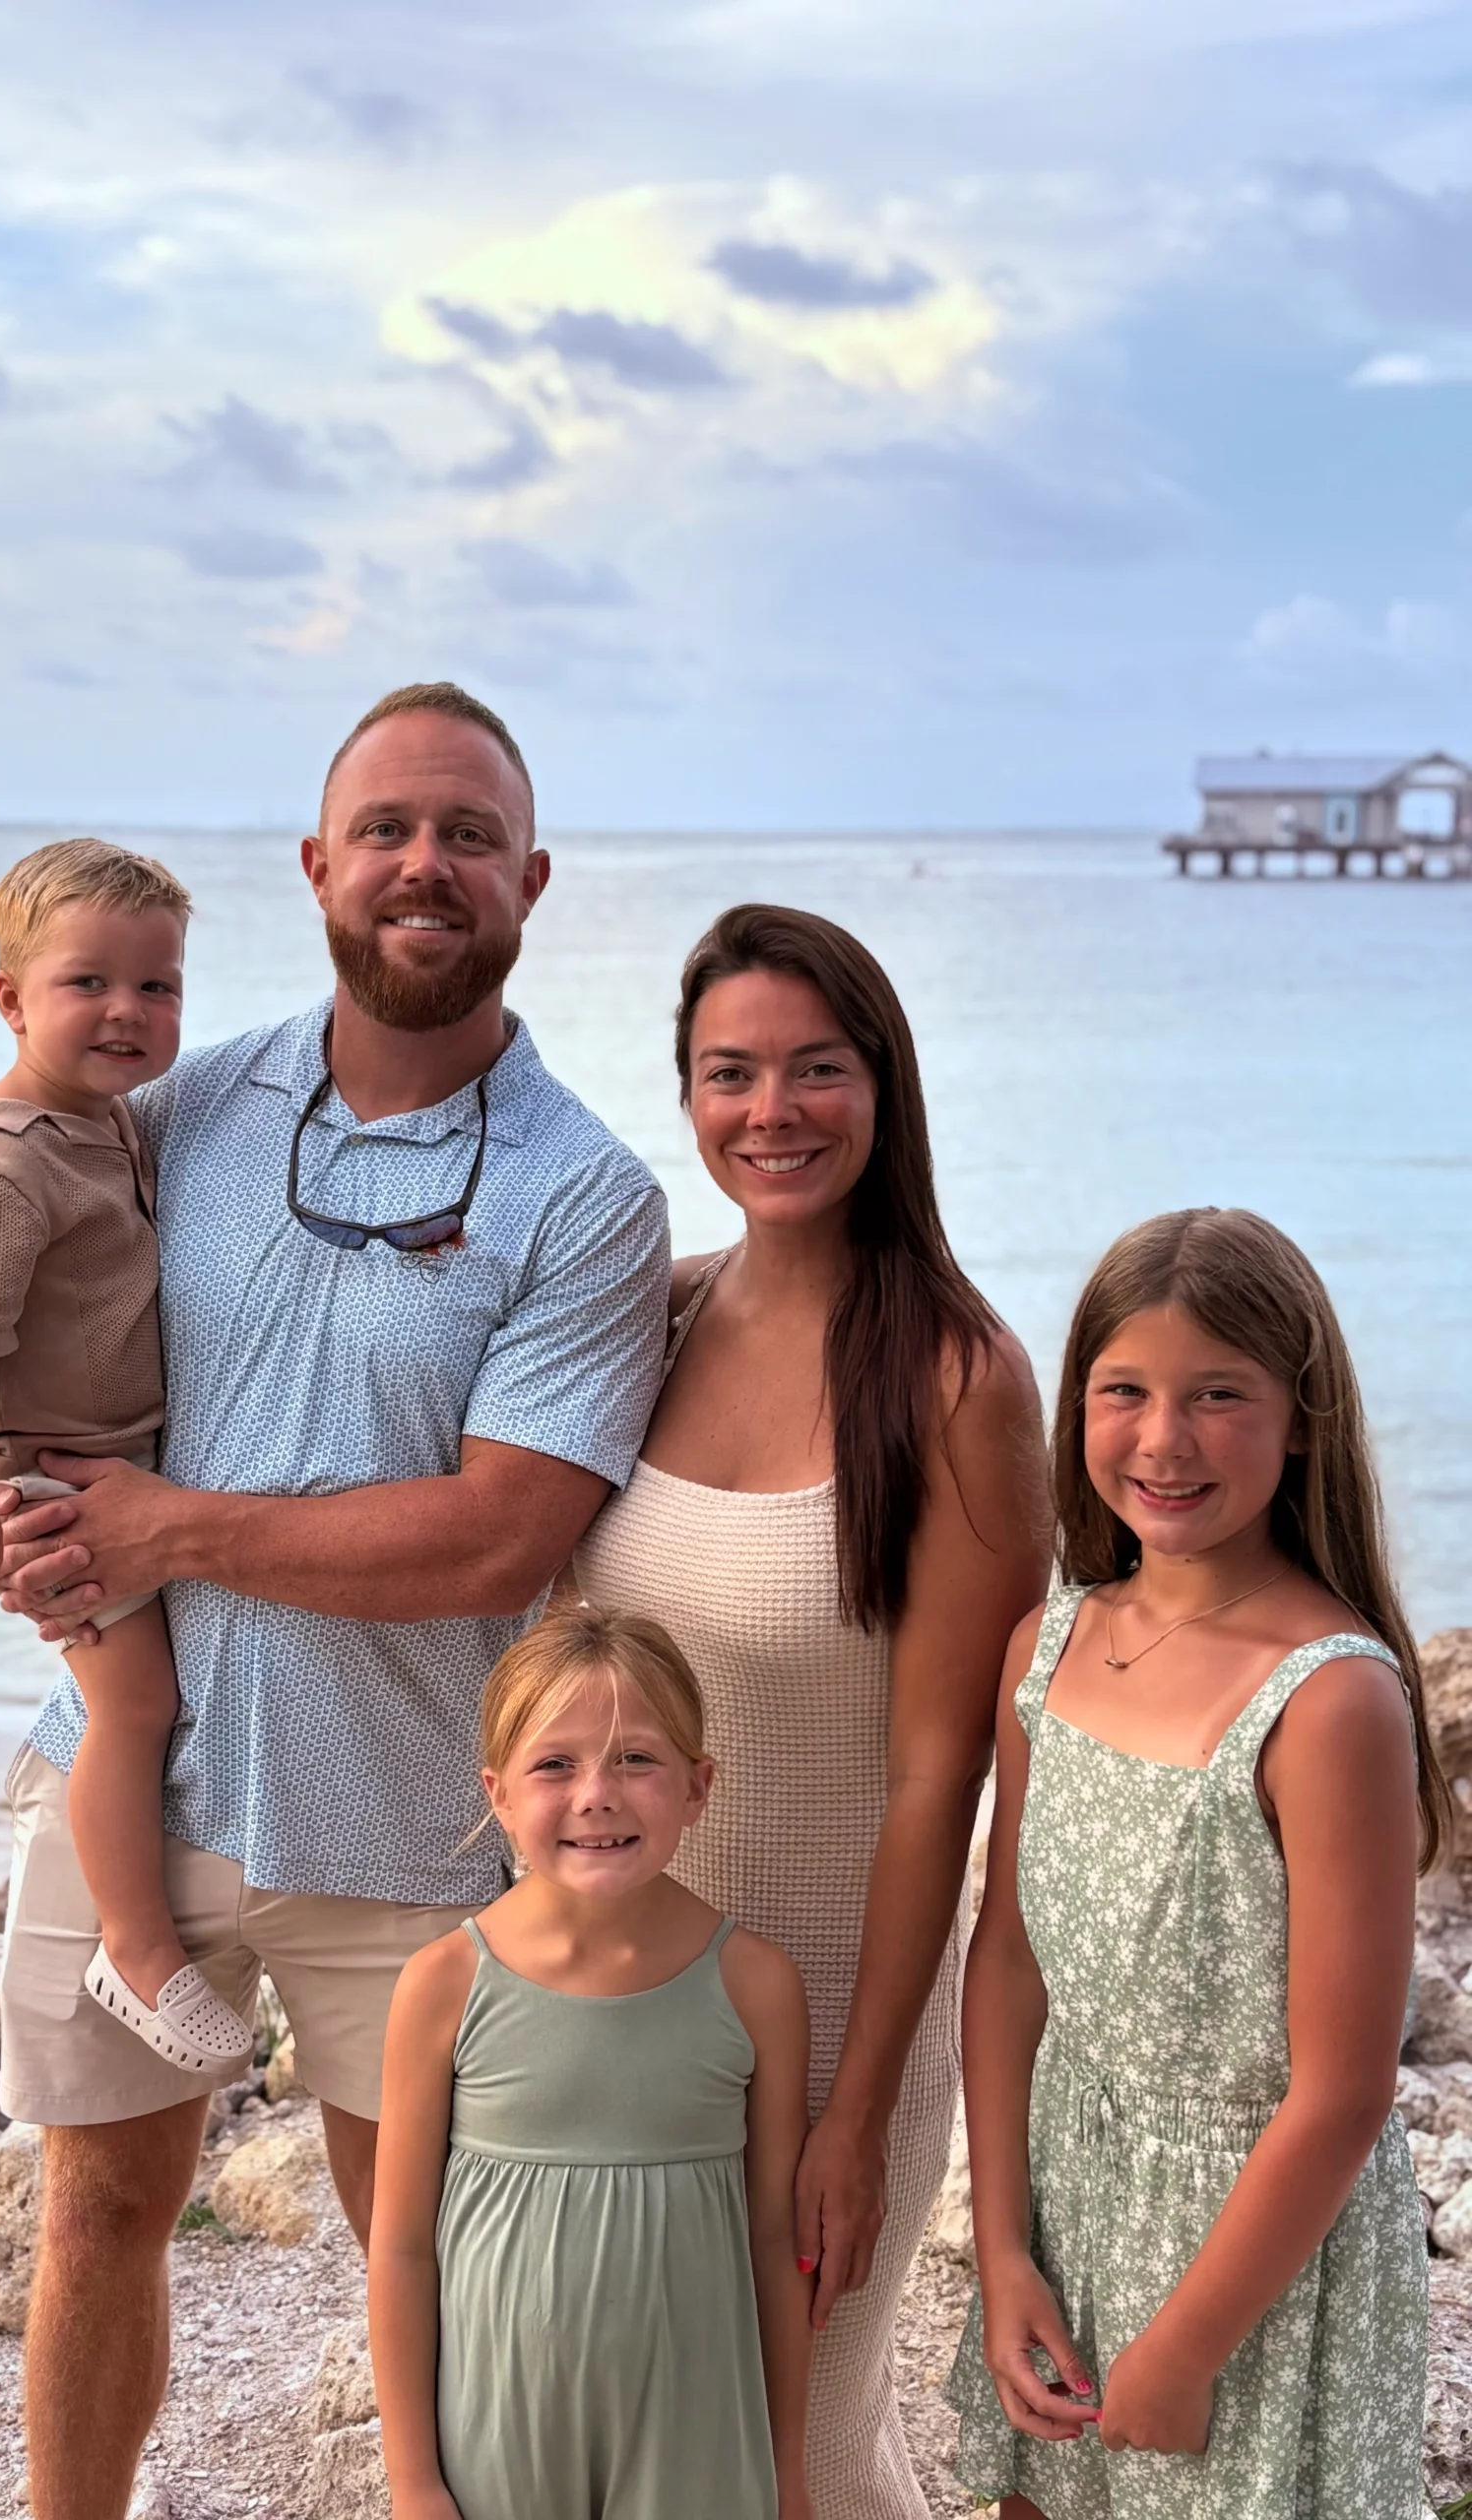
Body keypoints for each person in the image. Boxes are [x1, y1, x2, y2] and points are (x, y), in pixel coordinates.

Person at [0, 685, 671, 2520]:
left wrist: (166, 1529)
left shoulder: (585, 1196)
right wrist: (26, 1514)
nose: (421, 866)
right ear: (316, 867)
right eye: (385, 830)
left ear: (530, 880)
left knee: (425, 2258)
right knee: (100, 2212)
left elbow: (494, 1543)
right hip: (139, 1784)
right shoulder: (182, 1108)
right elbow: (25, 1302)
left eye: (464, 835)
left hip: (420, 1832)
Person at [573, 902, 1049, 2518]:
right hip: (615, 2007)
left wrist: (856, 2117)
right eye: (730, 1074)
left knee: (792, 2458)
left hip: (836, 2019)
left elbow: (939, 1781)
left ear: (885, 1087)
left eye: (815, 1069)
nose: (770, 1111)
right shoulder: (655, 1317)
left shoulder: (958, 1382)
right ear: (688, 1096)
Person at [949, 1207, 1441, 2517]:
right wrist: (1003, 2252)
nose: (1164, 1441)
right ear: (1078, 1406)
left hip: (1249, 2275)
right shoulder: (1048, 1650)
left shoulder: (1329, 1703)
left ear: (1302, 1423)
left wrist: (1186, 2345)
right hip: (1066, 2206)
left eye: (1220, 1395)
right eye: (1127, 1391)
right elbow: (1005, 1961)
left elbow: (1341, 2094)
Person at [0, 840, 252, 2080]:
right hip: (58, 1483)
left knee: (151, 1702)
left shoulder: (109, 1129)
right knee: (134, 1707)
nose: (128, 1011)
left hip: (123, 1460)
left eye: (157, 987)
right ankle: (139, 1946)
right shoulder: (3, 1169)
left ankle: (144, 1926)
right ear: (10, 998)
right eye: (88, 983)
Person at [369, 1603, 816, 2520]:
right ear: (497, 1793)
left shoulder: (756, 1986)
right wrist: (414, 2481)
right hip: (498, 2429)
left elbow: (775, 2248)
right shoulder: (443, 1985)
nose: (596, 1794)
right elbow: (403, 2248)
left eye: (636, 1759)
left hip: (696, 2431)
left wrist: (788, 2473)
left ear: (699, 1786)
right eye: (554, 1765)